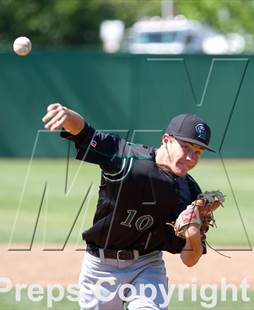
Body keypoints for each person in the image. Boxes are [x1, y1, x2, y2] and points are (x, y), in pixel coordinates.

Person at [42, 103, 216, 310]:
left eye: (197, 152)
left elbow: (189, 259)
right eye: (186, 148)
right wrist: (68, 115)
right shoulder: (127, 158)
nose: (191, 158)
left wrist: (193, 233)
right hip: (101, 266)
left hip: (147, 265)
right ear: (167, 140)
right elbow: (84, 133)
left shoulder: (189, 192)